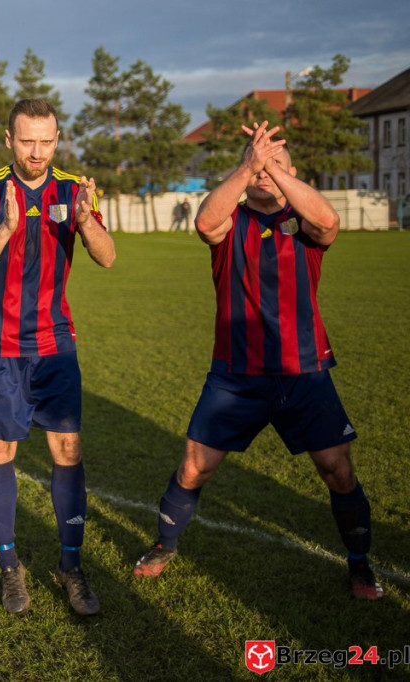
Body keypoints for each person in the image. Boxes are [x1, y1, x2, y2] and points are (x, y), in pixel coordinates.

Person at [132, 122, 383, 601]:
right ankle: (165, 545)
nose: (266, 173)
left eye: (277, 167)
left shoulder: (304, 224)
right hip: (236, 375)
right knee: (193, 468)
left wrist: (272, 166)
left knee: (338, 469)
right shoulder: (232, 223)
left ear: (292, 176)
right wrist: (249, 166)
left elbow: (329, 223)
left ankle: (360, 563)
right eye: (258, 166)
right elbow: (205, 222)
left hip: (303, 370)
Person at [0, 99, 116, 616]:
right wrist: (6, 227)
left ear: (57, 138)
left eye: (47, 141)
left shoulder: (72, 188)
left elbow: (107, 256)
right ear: (9, 140)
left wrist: (88, 221)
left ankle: (70, 567)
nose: (37, 151)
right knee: (1, 451)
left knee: (67, 450)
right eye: (27, 141)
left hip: (54, 345)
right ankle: (9, 566)